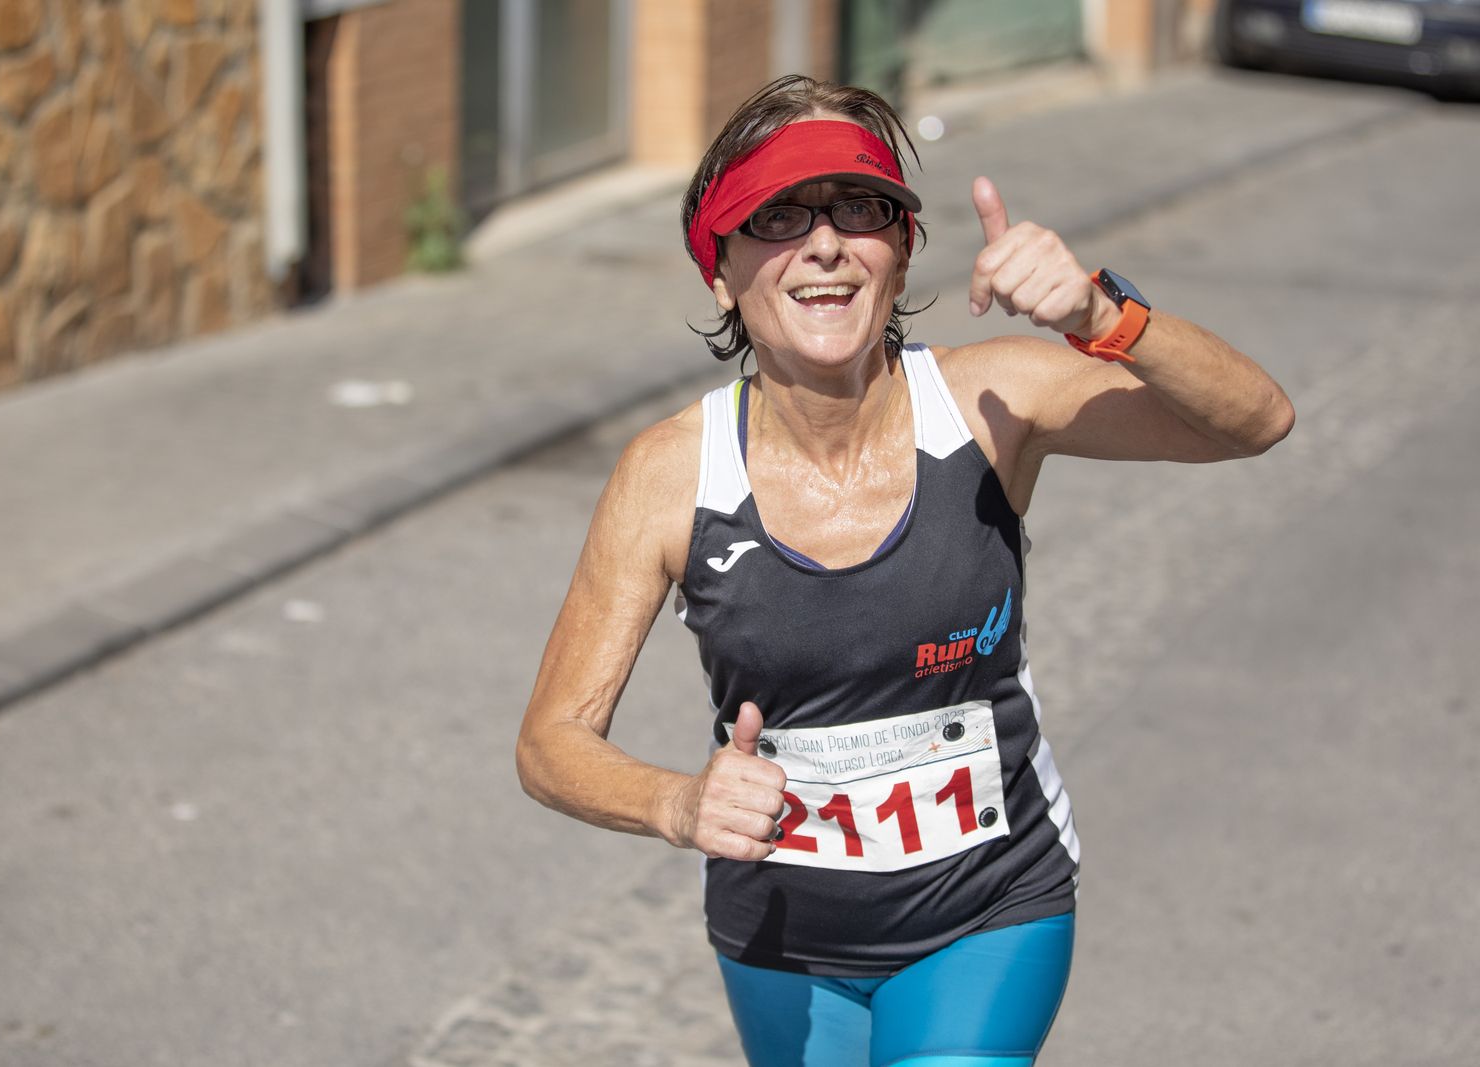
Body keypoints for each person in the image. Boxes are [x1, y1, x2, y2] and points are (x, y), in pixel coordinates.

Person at [515, 74, 1294, 1067]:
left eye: (861, 208)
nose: (826, 243)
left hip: (990, 908)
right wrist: (677, 803)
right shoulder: (672, 474)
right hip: (780, 936)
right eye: (777, 216)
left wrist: (1104, 314)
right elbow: (549, 742)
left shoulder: (991, 401)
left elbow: (1253, 421)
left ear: (904, 248)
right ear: (719, 272)